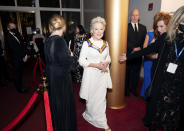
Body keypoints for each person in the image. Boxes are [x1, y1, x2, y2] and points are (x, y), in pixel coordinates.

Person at [120, 6, 184, 131]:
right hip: (164, 79)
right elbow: (148, 49)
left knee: (175, 112)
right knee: (157, 106)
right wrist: (128, 56)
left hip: (179, 82)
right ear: (177, 21)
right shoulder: (168, 36)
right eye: (181, 22)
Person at [44, 14, 77, 131]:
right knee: (64, 106)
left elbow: (52, 61)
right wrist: (72, 56)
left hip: (52, 78)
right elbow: (71, 66)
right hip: (61, 79)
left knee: (56, 106)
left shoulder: (47, 41)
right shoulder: (60, 41)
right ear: (63, 26)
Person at [79, 16, 112, 131]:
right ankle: (89, 115)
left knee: (102, 99)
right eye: (96, 29)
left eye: (101, 29)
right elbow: (81, 60)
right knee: (92, 99)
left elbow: (109, 58)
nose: (99, 32)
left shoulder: (106, 43)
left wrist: (106, 63)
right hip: (91, 76)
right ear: (92, 30)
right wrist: (96, 65)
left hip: (102, 75)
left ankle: (102, 121)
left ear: (104, 30)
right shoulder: (87, 43)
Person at [141, 12, 171, 99]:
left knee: (155, 80)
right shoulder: (150, 33)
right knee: (148, 78)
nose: (159, 28)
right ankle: (147, 95)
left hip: (158, 61)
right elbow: (145, 48)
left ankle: (152, 95)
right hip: (149, 59)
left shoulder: (164, 35)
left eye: (161, 26)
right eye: (157, 25)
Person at [126, 9, 147, 96]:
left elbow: (145, 41)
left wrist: (140, 48)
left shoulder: (143, 28)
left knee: (136, 73)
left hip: (138, 55)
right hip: (129, 54)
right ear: (130, 16)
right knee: (127, 74)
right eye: (133, 15)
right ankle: (126, 91)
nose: (135, 17)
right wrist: (132, 48)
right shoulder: (125, 26)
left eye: (136, 15)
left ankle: (133, 89)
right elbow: (123, 40)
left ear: (139, 17)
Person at [5, 22, 28, 93]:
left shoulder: (17, 34)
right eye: (12, 27)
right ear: (8, 28)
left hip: (21, 57)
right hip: (15, 58)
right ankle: (19, 88)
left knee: (20, 73)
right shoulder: (8, 37)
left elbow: (22, 44)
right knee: (17, 74)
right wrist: (22, 56)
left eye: (14, 27)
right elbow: (13, 49)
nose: (14, 28)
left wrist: (25, 55)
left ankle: (21, 85)